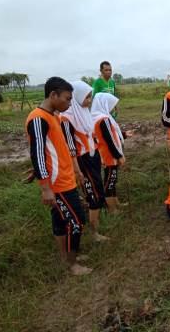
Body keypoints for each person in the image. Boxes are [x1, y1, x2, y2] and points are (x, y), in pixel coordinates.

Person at [25, 77, 92, 275]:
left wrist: (76, 172)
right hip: (57, 184)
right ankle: (73, 264)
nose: (69, 103)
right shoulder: (38, 118)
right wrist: (45, 188)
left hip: (65, 178)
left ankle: (67, 256)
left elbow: (51, 151)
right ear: (53, 95)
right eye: (67, 99)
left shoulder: (54, 116)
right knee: (76, 221)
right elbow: (36, 153)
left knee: (61, 221)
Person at [60, 81, 108, 242]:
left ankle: (95, 226)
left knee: (98, 191)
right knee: (93, 196)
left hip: (92, 157)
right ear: (77, 97)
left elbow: (91, 137)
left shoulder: (84, 112)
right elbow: (70, 147)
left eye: (90, 97)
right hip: (82, 161)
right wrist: (77, 171)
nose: (89, 101)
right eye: (87, 97)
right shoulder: (66, 118)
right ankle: (94, 234)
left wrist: (98, 156)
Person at [92, 93, 126, 213]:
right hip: (110, 155)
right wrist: (119, 156)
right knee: (109, 181)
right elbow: (110, 140)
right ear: (104, 104)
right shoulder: (104, 119)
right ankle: (112, 209)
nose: (113, 108)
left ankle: (116, 202)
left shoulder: (96, 117)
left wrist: (124, 135)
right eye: (112, 105)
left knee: (112, 178)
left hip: (106, 154)